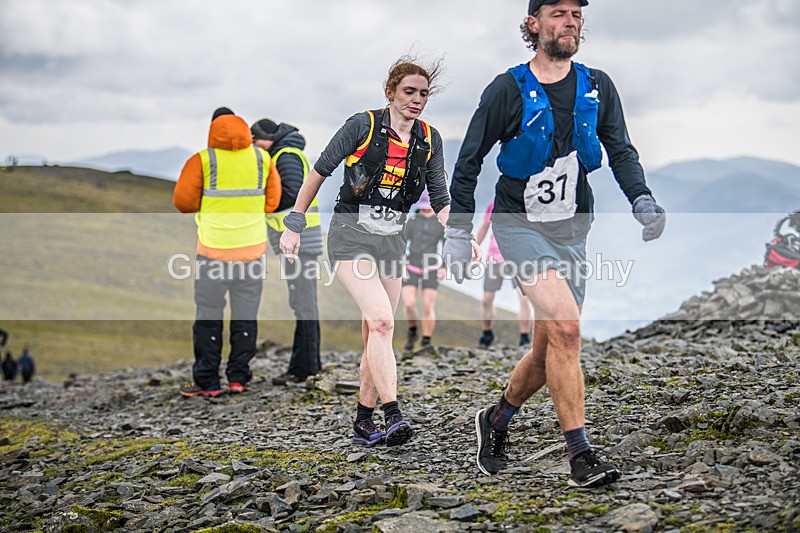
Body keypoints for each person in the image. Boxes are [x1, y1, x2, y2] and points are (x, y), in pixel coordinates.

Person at [445, 0, 666, 487]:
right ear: (533, 24)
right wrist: (459, 232)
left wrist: (641, 198)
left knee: (550, 346)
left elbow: (620, 149)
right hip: (518, 226)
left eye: (576, 14)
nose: (570, 21)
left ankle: (497, 418)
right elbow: (469, 160)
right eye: (558, 12)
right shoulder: (506, 90)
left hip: (573, 229)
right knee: (567, 329)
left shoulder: (597, 85)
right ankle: (580, 455)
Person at [281, 57, 475, 447]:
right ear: (390, 92)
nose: (416, 100)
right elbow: (319, 171)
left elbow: (439, 198)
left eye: (423, 94)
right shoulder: (362, 126)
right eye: (409, 92)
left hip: (391, 241)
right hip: (350, 236)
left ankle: (363, 422)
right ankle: (393, 414)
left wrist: (460, 234)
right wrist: (295, 221)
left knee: (377, 330)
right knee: (384, 322)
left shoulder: (429, 139)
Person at [173, 106, 281, 397]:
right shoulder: (262, 159)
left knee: (208, 316)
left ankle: (208, 382)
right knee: (245, 316)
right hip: (252, 253)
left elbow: (183, 203)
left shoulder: (202, 160)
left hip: (213, 253)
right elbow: (272, 203)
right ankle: (238, 379)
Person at [251, 118, 324, 386]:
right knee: (302, 302)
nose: (254, 146)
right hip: (299, 241)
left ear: (266, 138)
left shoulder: (286, 155)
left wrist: (261, 202)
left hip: (298, 242)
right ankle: (304, 366)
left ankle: (305, 369)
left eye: (255, 140)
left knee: (304, 304)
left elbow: (292, 194)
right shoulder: (286, 153)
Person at [475, 200, 533, 348]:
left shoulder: (527, 203)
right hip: (495, 257)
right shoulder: (494, 204)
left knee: (524, 297)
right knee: (487, 299)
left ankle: (524, 337)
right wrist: (475, 247)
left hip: (520, 259)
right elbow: (485, 226)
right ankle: (487, 333)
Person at [401, 189, 445, 352]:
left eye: (429, 208)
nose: (426, 211)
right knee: (409, 303)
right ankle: (412, 331)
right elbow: (402, 242)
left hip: (431, 267)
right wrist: (401, 264)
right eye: (423, 208)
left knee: (427, 304)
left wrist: (444, 267)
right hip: (411, 265)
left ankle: (426, 341)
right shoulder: (412, 221)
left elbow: (446, 246)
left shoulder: (440, 223)